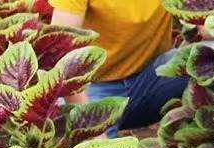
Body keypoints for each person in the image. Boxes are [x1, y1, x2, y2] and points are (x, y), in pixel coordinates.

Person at [49, 0, 190, 131]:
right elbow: (60, 52)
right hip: (94, 90)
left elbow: (204, 19)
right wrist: (90, 126)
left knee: (209, 54)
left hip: (150, 80)